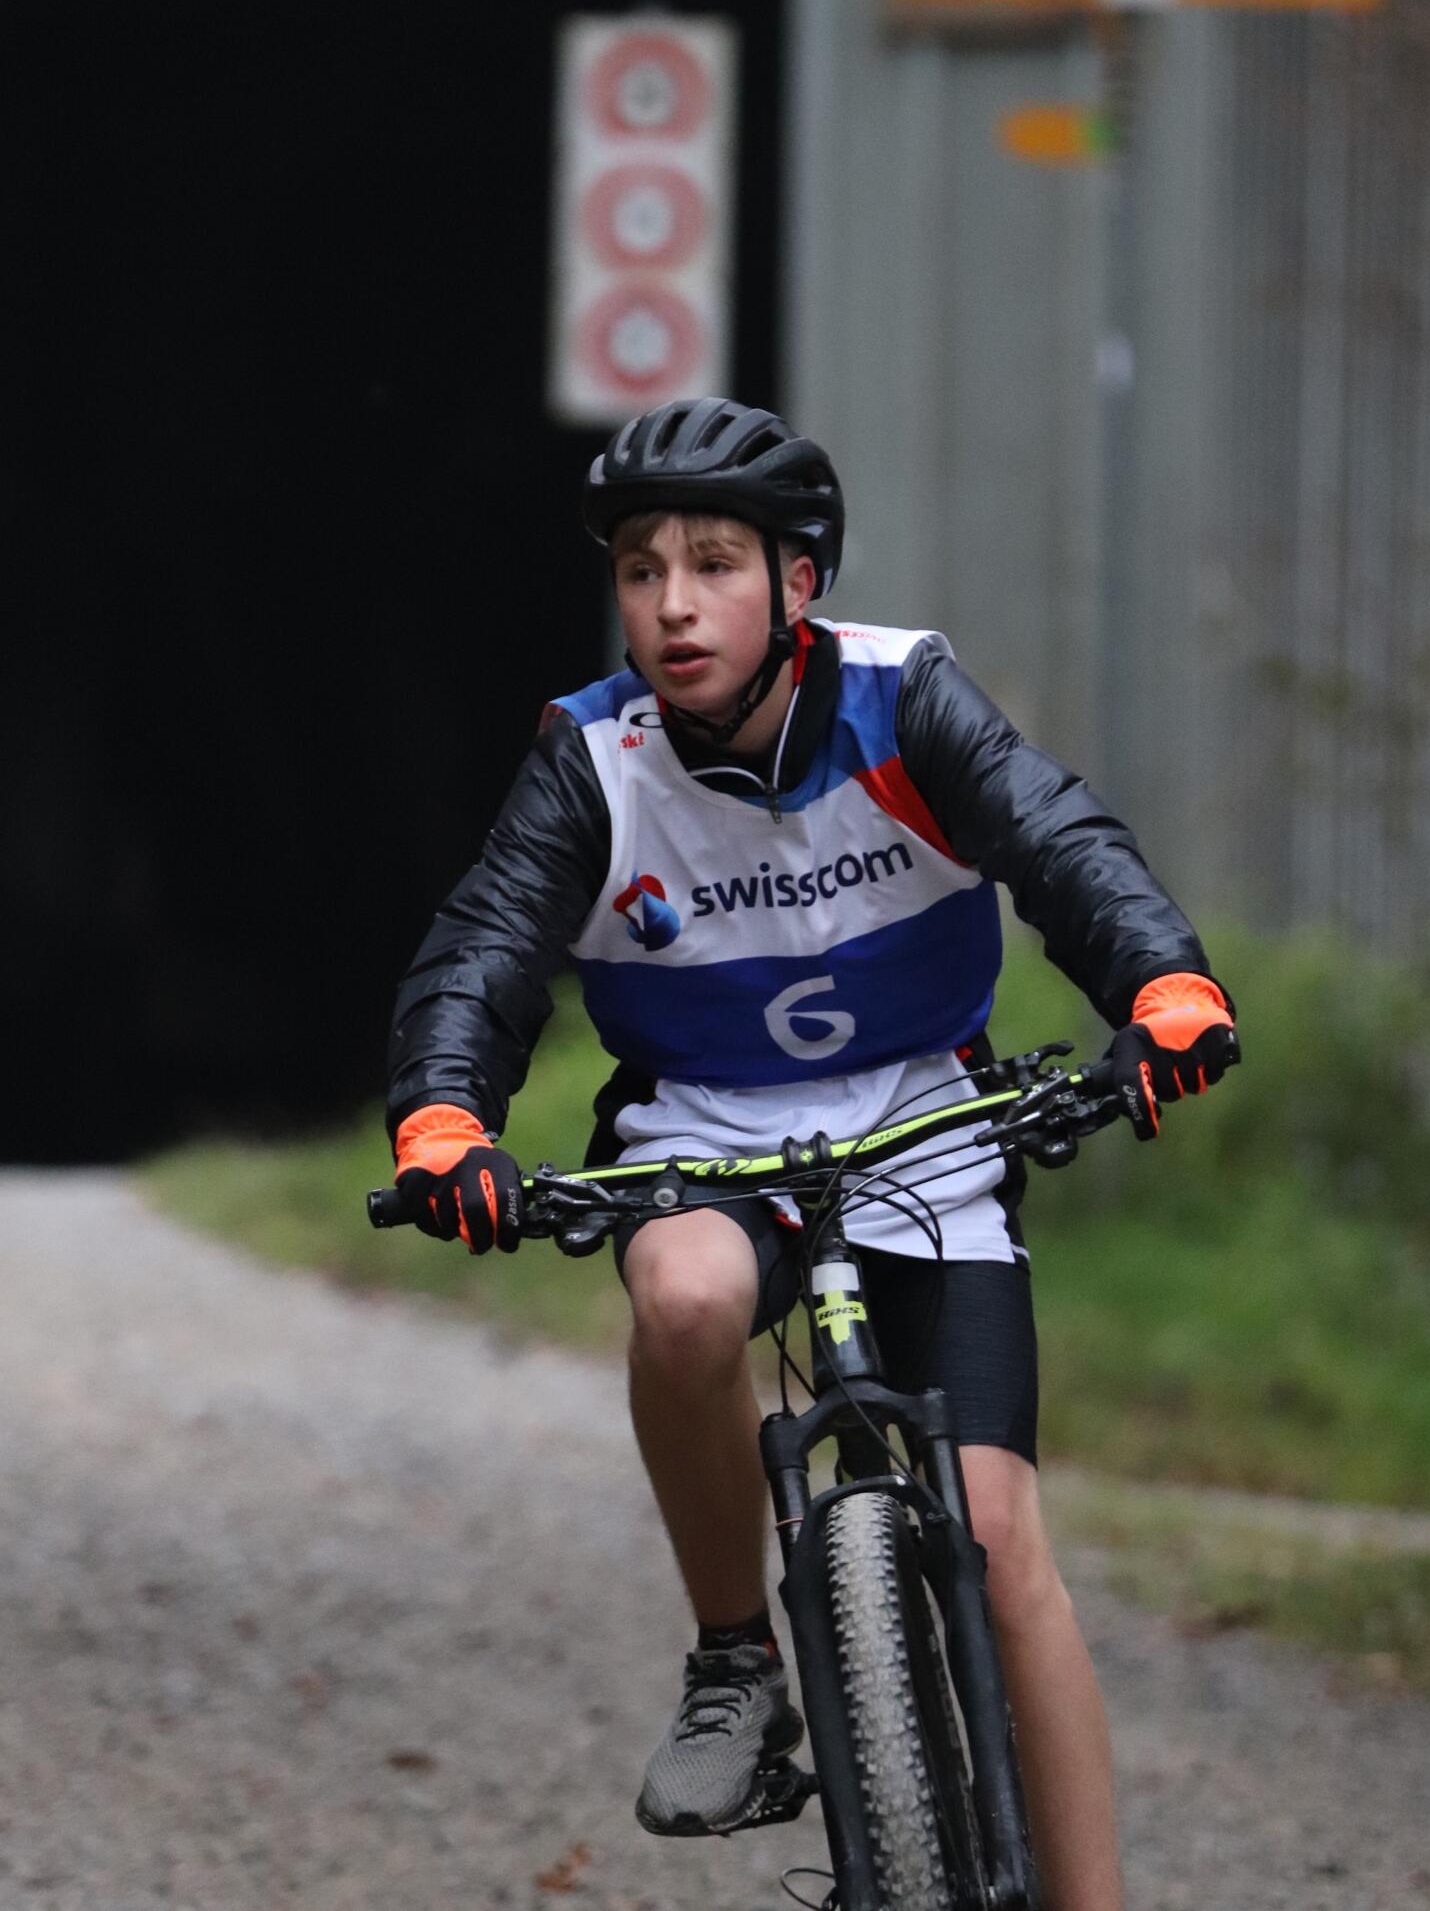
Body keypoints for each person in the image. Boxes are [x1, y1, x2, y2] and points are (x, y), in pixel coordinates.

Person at [384, 397, 1238, 1911]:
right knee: (688, 1302)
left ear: (797, 584)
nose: (672, 604)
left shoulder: (904, 700)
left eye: (713, 565)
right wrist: (447, 1118)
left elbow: (1057, 842)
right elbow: (485, 949)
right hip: (703, 1138)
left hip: (926, 1126)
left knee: (998, 1541)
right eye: (641, 570)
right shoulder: (593, 758)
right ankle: (736, 1664)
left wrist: (1160, 983)